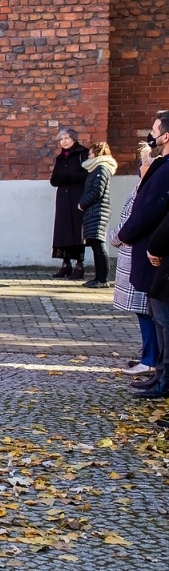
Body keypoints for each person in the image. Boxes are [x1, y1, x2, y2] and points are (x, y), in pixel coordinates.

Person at [120, 113, 169, 399]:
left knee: (163, 319)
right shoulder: (161, 165)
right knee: (156, 316)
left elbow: (151, 210)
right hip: (152, 253)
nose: (151, 136)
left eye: (154, 130)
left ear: (166, 136)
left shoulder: (165, 168)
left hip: (158, 255)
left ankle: (164, 377)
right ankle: (159, 374)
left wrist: (128, 236)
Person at [112, 142, 157, 378]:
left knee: (147, 311)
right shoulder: (142, 186)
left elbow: (135, 221)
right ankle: (148, 356)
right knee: (145, 311)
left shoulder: (149, 188)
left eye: (143, 163)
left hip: (138, 252)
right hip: (133, 252)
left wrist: (117, 237)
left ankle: (150, 359)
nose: (139, 167)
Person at [78, 141, 116, 288]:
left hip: (98, 211)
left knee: (99, 245)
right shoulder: (97, 168)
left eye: (90, 153)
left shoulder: (101, 168)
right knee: (95, 245)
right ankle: (98, 278)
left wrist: (82, 203)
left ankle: (102, 279)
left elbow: (96, 191)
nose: (89, 155)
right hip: (94, 210)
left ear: (97, 153)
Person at [51, 127, 88, 279]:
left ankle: (79, 265)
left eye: (66, 138)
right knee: (63, 230)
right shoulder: (60, 157)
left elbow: (86, 175)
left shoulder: (83, 153)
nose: (63, 142)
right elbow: (54, 179)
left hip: (77, 196)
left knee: (77, 231)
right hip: (63, 198)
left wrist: (68, 176)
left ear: (73, 138)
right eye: (61, 139)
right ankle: (66, 264)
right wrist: (67, 177)